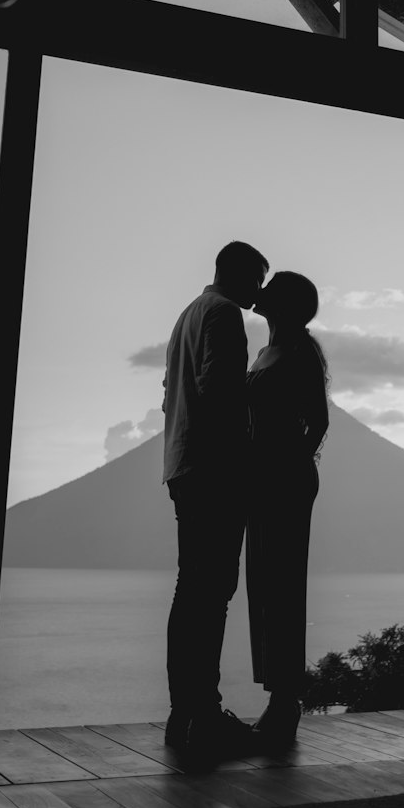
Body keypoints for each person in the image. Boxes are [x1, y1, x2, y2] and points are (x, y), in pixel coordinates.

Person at [161, 240, 269, 759]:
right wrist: (245, 459)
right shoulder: (225, 315)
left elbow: (171, 392)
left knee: (191, 590)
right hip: (213, 471)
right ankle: (203, 714)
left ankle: (184, 711)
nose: (260, 291)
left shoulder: (188, 314)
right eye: (257, 280)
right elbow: (220, 392)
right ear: (240, 275)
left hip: (181, 464)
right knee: (213, 593)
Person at [245, 271, 329, 750]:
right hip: (260, 482)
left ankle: (285, 705)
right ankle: (277, 696)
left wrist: (290, 466)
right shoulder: (265, 352)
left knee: (283, 585)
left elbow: (316, 420)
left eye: (269, 288)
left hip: (286, 483)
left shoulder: (298, 352)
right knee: (264, 584)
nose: (260, 294)